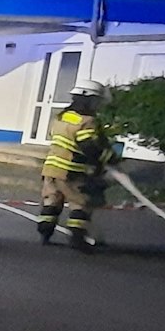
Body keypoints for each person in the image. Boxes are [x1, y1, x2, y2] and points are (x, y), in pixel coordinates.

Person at [39, 79, 113, 253]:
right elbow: (88, 146)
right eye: (96, 101)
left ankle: (45, 233)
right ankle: (77, 238)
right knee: (80, 203)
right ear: (89, 100)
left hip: (51, 168)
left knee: (52, 200)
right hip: (71, 170)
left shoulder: (62, 117)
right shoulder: (87, 121)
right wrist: (108, 159)